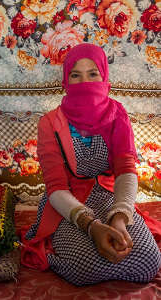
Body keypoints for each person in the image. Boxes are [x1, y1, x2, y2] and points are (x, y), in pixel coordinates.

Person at [22, 43, 161, 286]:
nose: (84, 82)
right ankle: (54, 252)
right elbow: (56, 188)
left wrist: (119, 216)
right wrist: (92, 226)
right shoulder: (50, 123)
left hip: (110, 196)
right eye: (75, 75)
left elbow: (126, 170)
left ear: (104, 76)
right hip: (67, 202)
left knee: (149, 262)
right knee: (84, 269)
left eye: (93, 74)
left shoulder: (118, 114)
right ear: (66, 80)